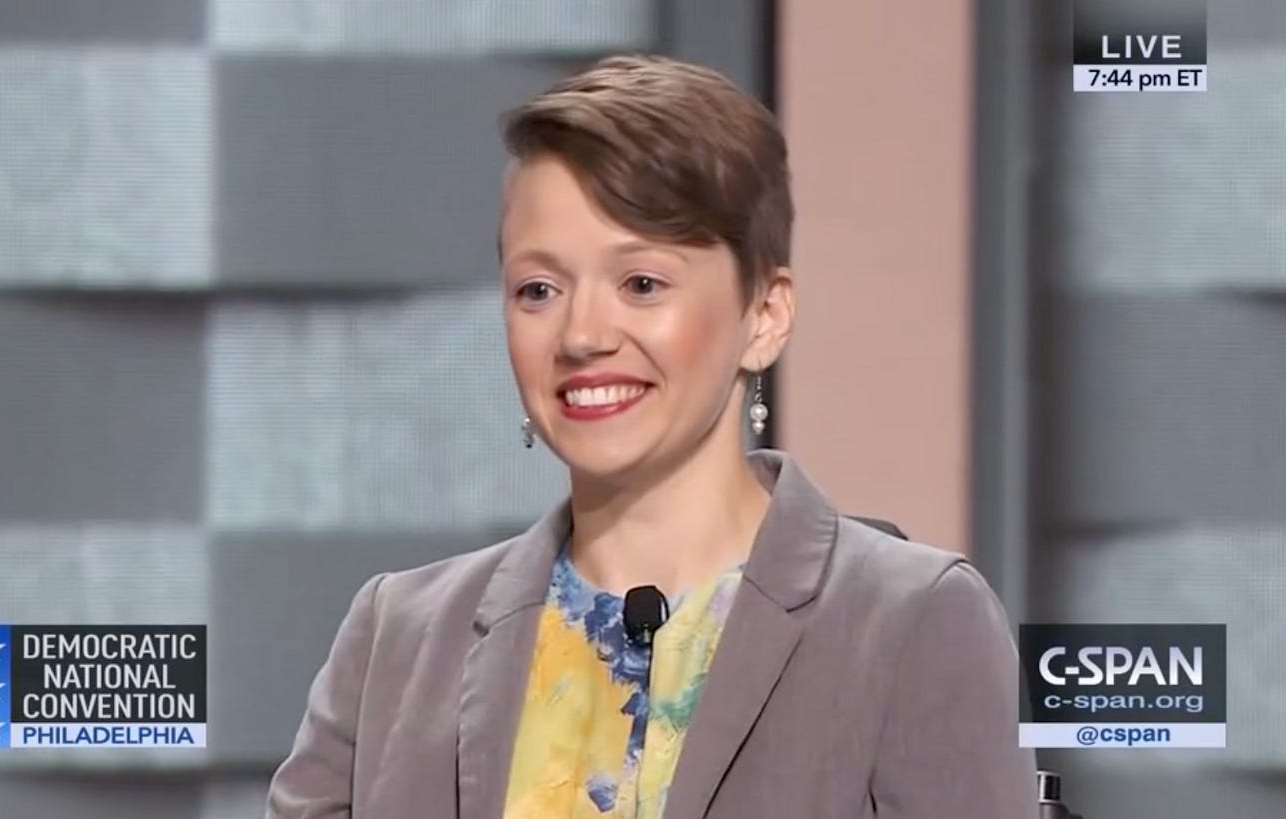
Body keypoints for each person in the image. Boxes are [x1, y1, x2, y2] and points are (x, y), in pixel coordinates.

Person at [265, 53, 1036, 819]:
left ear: (764, 315)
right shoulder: (396, 638)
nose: (582, 334)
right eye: (539, 290)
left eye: (641, 284)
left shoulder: (912, 623)